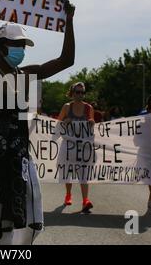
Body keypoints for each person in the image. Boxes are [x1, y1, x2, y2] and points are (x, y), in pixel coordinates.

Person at [0, 0, 75, 244]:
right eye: (18, 44)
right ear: (1, 47)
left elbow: (65, 60)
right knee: (1, 216)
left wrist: (69, 21)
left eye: (23, 45)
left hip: (22, 155)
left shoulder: (25, 75)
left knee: (32, 216)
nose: (22, 50)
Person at [58, 82, 95, 213]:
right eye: (77, 92)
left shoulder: (88, 107)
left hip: (83, 147)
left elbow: (92, 126)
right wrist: (64, 122)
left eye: (82, 92)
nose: (80, 95)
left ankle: (85, 200)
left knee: (83, 173)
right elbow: (57, 125)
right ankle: (68, 194)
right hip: (68, 147)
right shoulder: (67, 107)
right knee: (68, 171)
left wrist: (91, 122)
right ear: (72, 93)